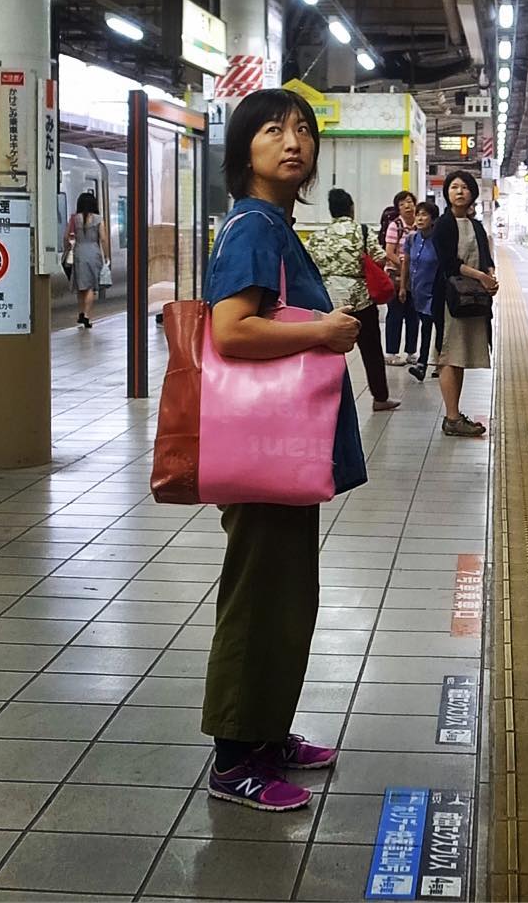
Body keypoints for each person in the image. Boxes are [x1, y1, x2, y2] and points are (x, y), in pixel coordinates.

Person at [201, 88, 365, 813]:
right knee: (260, 598)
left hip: (283, 447)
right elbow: (231, 330)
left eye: (303, 129)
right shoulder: (252, 225)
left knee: (286, 596)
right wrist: (322, 333)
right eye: (273, 129)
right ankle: (236, 755)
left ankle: (266, 733)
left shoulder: (273, 222)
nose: (292, 140)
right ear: (245, 152)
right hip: (265, 446)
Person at [306, 188, 400, 412]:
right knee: (371, 350)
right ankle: (380, 397)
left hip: (329, 300)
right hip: (360, 299)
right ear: (351, 208)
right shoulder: (362, 231)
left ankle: (323, 399)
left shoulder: (318, 236)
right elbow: (380, 258)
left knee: (328, 350)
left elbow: (309, 264)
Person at [432, 170, 497, 437]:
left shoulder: (477, 226)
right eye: (454, 187)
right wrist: (481, 276)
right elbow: (449, 264)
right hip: (451, 299)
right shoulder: (444, 225)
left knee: (460, 356)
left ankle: (455, 414)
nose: (459, 192)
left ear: (472, 194)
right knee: (450, 355)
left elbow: (485, 257)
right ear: (447, 193)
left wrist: (490, 275)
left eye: (464, 188)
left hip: (474, 299)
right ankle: (452, 417)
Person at [401, 200, 440, 382]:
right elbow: (406, 262)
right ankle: (425, 363)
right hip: (418, 291)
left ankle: (428, 364)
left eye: (425, 215)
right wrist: (403, 286)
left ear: (433, 219)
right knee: (425, 326)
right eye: (418, 214)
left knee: (435, 328)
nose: (420, 218)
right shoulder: (412, 239)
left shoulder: (439, 241)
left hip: (436, 291)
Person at [383, 189, 419, 365]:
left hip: (415, 278)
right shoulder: (395, 225)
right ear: (398, 208)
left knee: (414, 314)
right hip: (396, 277)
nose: (407, 205)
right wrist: (404, 266)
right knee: (395, 313)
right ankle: (391, 352)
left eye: (410, 201)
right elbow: (389, 252)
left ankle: (411, 352)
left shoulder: (420, 225)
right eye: (403, 203)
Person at [65, 192, 109, 328]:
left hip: (79, 251)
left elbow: (66, 236)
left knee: (81, 285)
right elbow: (103, 238)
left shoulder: (74, 219)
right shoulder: (98, 219)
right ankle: (87, 316)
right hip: (93, 252)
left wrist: (67, 249)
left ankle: (80, 312)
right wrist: (106, 256)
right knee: (90, 286)